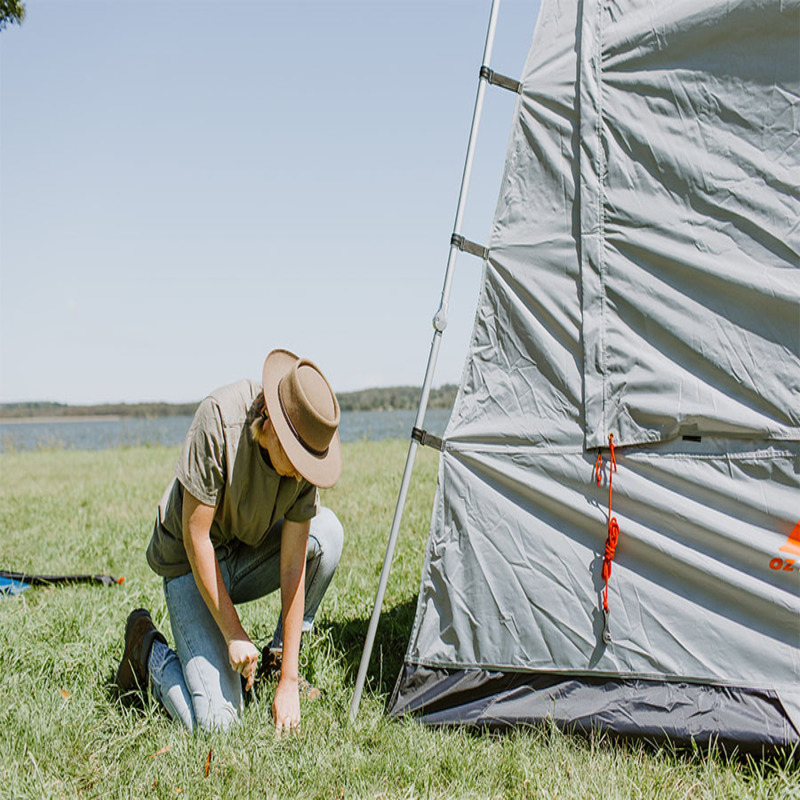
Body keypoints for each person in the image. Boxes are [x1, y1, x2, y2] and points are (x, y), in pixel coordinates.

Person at [115, 349, 344, 736]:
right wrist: (234, 633)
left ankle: (273, 664)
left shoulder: (304, 469)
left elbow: (292, 567)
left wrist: (289, 678)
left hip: (242, 554)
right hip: (189, 561)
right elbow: (195, 537)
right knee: (219, 725)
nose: (304, 472)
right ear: (270, 423)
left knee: (328, 533)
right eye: (298, 457)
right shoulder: (219, 420)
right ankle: (145, 650)